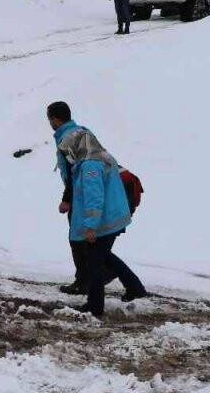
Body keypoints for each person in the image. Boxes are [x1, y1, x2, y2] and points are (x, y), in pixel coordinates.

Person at [48, 101, 147, 317]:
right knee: (101, 256)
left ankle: (95, 306)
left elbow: (94, 197)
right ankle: (134, 289)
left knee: (94, 259)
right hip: (112, 215)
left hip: (106, 218)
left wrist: (90, 226)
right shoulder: (91, 156)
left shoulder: (90, 165)